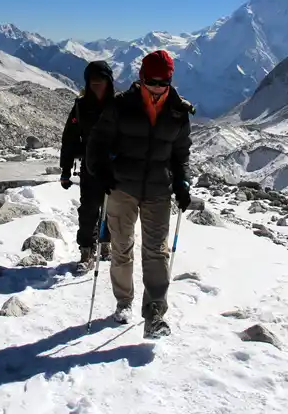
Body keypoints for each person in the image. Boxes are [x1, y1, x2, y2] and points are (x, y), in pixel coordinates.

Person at [86, 49, 192, 339]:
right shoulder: (121, 106)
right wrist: (101, 170)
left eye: (163, 82)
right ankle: (124, 301)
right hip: (121, 187)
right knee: (121, 247)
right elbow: (96, 142)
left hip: (159, 190)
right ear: (141, 77)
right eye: (151, 81)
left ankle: (155, 313)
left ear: (170, 80)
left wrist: (183, 182)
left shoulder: (178, 112)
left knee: (157, 251)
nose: (157, 87)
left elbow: (181, 154)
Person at [59, 61, 116, 272]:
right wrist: (65, 170)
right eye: (93, 81)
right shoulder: (81, 107)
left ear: (108, 82)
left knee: (111, 208)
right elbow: (70, 138)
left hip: (114, 166)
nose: (97, 85)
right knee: (89, 209)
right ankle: (87, 249)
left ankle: (107, 242)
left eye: (101, 81)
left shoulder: (119, 105)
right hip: (90, 166)